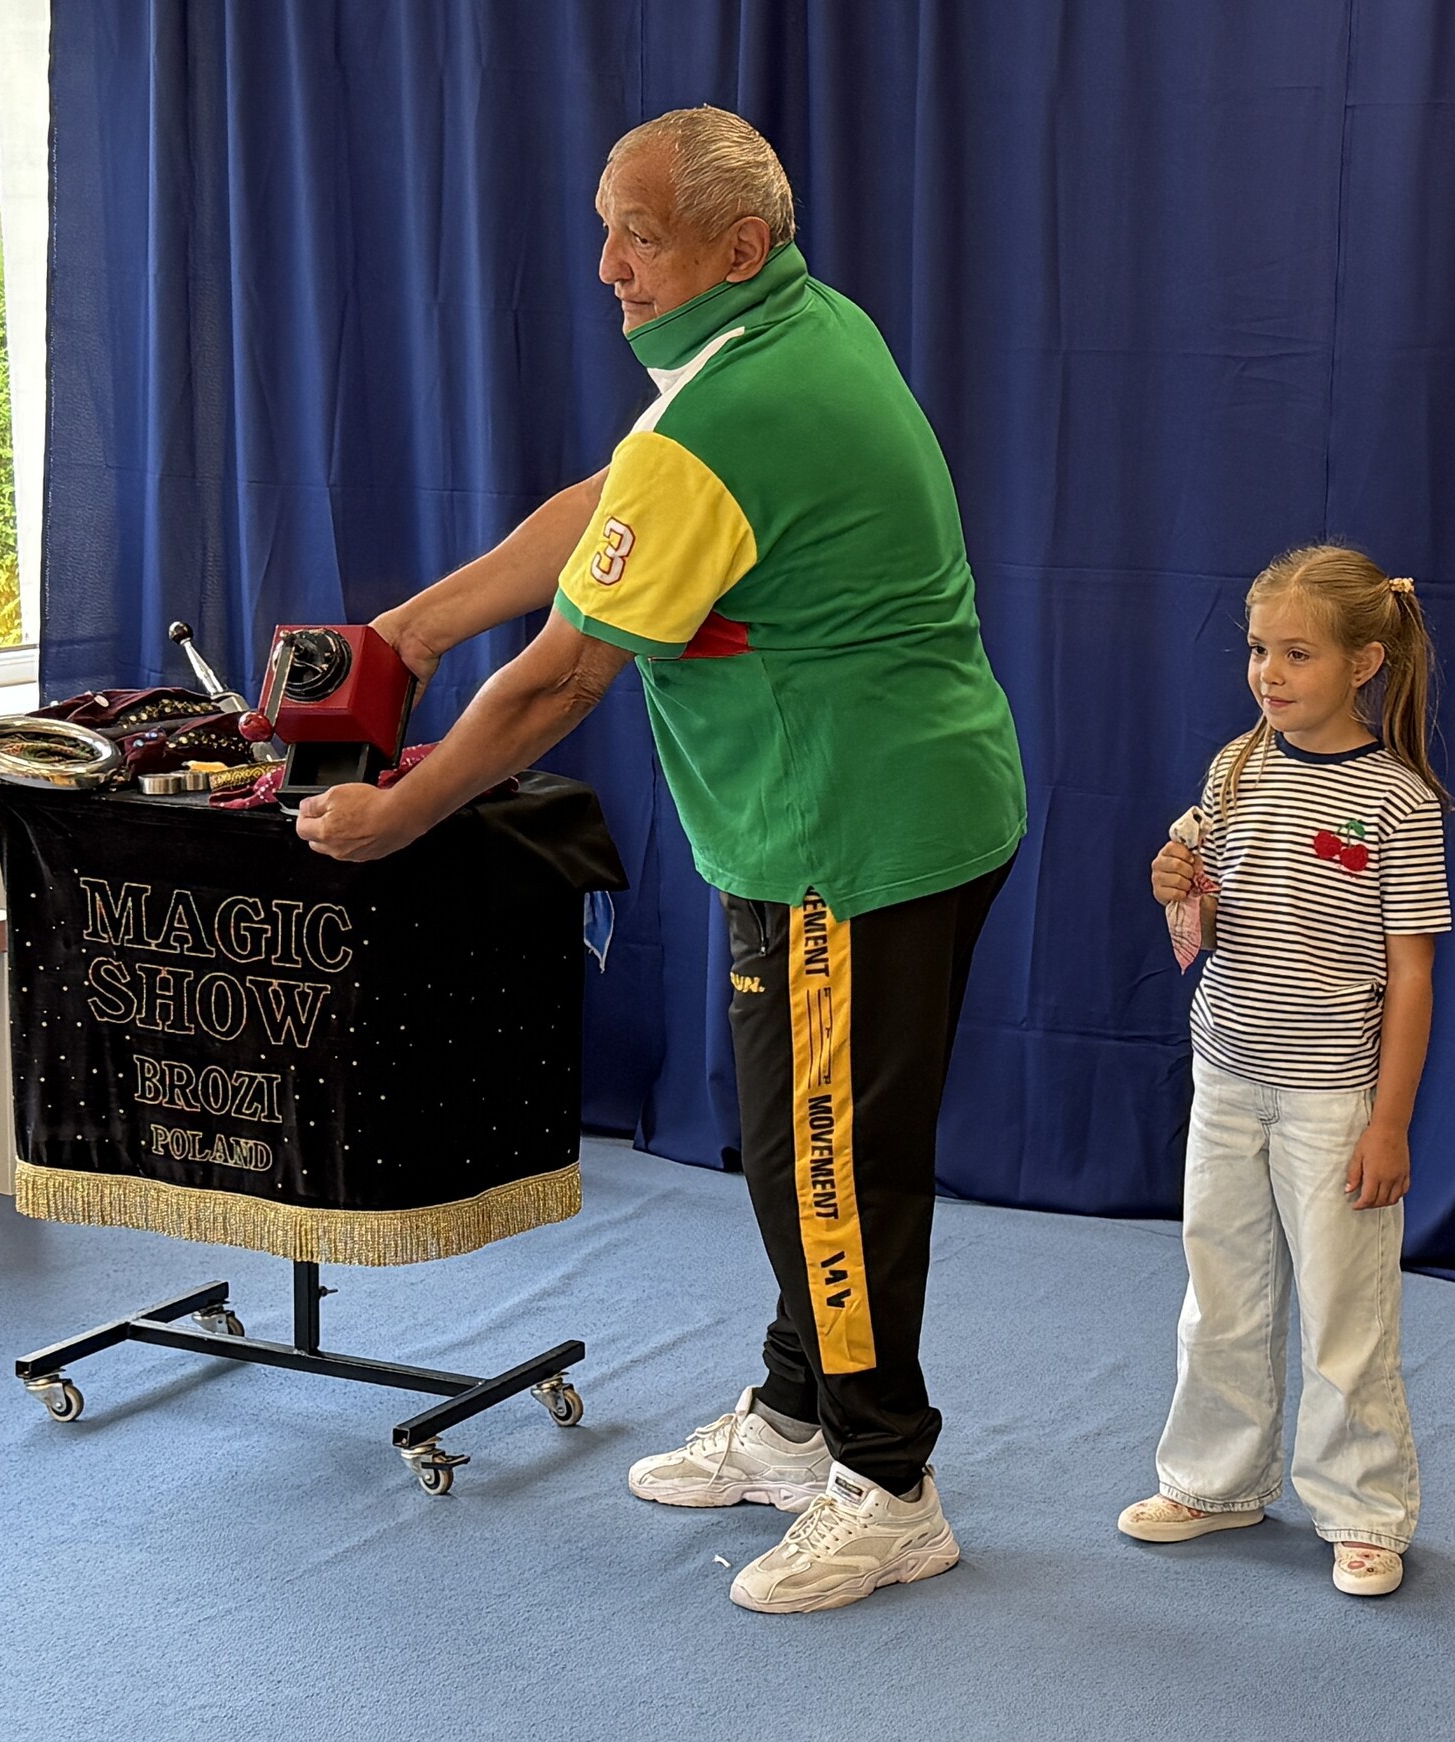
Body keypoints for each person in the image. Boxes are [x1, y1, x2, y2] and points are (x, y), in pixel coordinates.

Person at [295, 106, 1027, 1615]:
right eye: (604, 230)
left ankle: (888, 1485)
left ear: (739, 247)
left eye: (641, 235)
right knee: (796, 1150)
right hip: (847, 817)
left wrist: (397, 817)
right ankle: (797, 1415)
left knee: (827, 1170)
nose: (610, 267)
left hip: (851, 843)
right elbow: (608, 506)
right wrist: (412, 632)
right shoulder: (780, 334)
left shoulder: (738, 407)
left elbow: (563, 680)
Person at [1123, 545, 1452, 1596]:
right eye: (1260, 649)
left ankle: (1363, 1511)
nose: (1269, 672)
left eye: (1297, 653)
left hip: (1333, 1101)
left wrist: (1388, 1123)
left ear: (1364, 663)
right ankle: (1215, 1482)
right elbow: (1206, 919)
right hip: (1225, 1077)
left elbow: (1411, 974)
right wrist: (1178, 885)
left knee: (1346, 1314)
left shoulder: (1398, 800)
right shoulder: (1235, 768)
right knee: (1220, 1293)